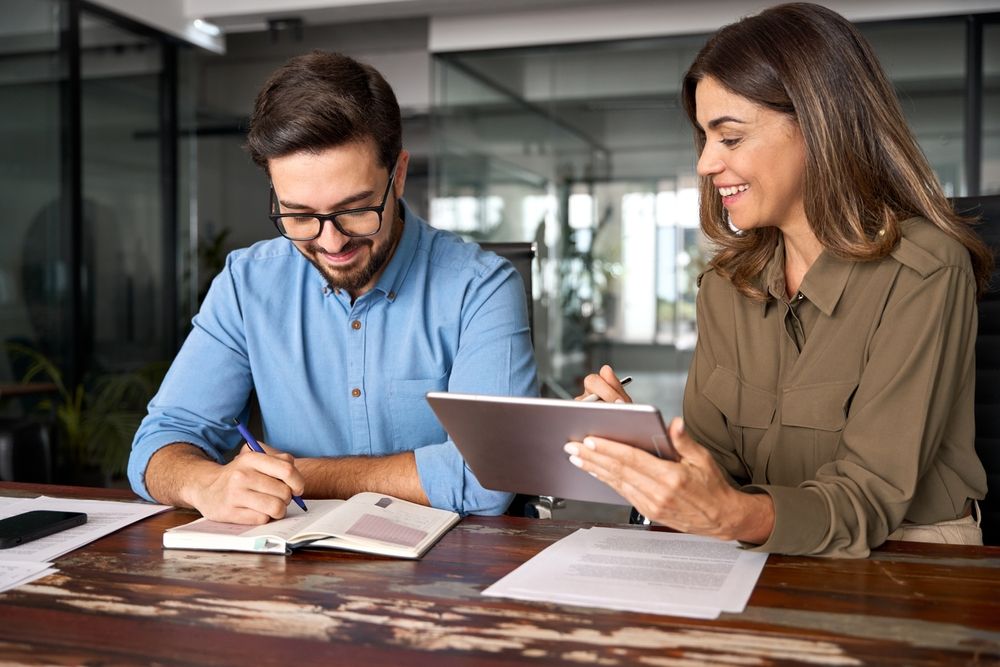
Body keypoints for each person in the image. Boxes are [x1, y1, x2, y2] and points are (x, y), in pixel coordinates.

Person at [566, 3, 991, 558]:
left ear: (819, 126)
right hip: (757, 546)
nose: (705, 164)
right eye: (704, 139)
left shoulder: (926, 271)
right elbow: (718, 471)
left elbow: (869, 499)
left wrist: (732, 512)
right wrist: (643, 449)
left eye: (731, 138)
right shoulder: (726, 285)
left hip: (912, 554)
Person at [128, 51, 537, 524]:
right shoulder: (247, 284)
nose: (331, 241)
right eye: (299, 216)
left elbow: (486, 477)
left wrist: (299, 475)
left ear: (398, 176)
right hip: (289, 571)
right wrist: (207, 482)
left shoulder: (481, 287)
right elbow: (158, 444)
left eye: (355, 210)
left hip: (445, 576)